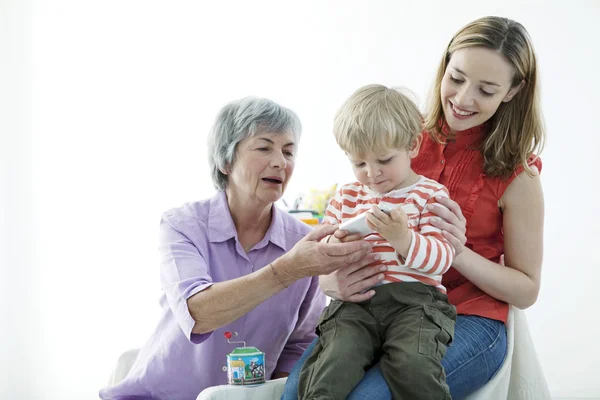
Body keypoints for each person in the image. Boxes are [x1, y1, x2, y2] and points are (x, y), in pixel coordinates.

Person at [283, 15, 545, 400]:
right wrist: (330, 281)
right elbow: (338, 233)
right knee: (298, 393)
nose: (463, 98)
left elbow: (526, 290)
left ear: (512, 90)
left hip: (468, 316)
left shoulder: (517, 173)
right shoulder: (397, 138)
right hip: (372, 306)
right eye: (456, 78)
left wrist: (455, 252)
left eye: (486, 90)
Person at [99, 97, 379, 400]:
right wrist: (289, 269)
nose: (280, 162)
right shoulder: (182, 225)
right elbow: (197, 313)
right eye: (264, 147)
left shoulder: (305, 241)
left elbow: (299, 344)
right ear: (226, 160)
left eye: (288, 151)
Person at [298, 84, 457, 400]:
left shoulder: (431, 195)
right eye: (359, 164)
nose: (371, 173)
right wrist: (335, 243)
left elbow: (442, 260)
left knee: (414, 366)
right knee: (330, 368)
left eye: (383, 159)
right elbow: (320, 251)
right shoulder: (347, 196)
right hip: (354, 306)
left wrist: (404, 240)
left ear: (412, 146)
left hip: (416, 304)